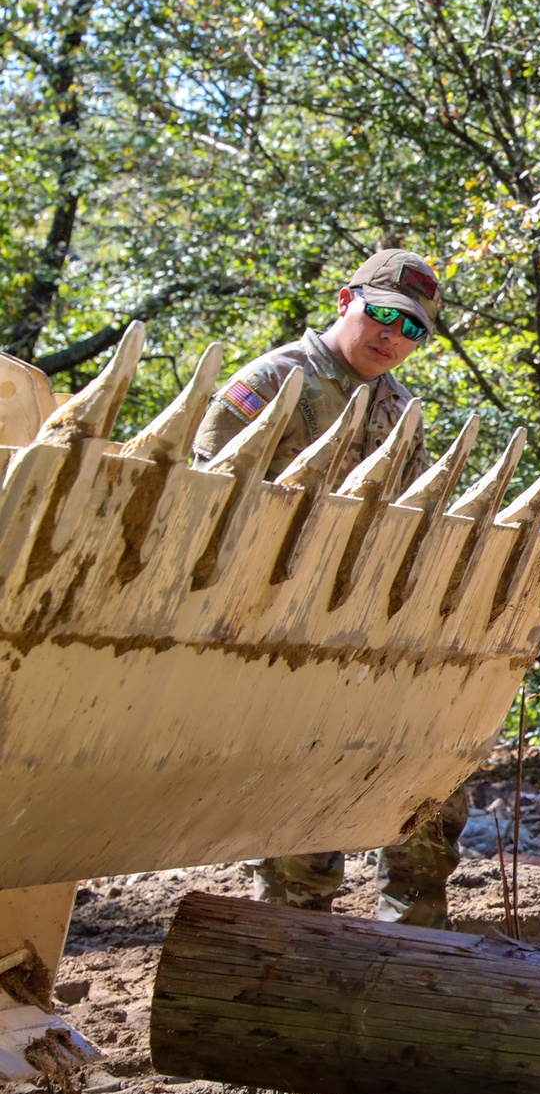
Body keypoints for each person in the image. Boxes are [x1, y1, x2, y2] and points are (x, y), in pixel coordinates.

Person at [193, 248, 467, 927]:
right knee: (296, 804)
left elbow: (409, 519)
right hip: (270, 626)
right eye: (381, 316)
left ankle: (413, 945)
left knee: (432, 783)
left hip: (361, 626)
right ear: (347, 300)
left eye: (412, 331)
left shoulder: (398, 406)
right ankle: (291, 948)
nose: (392, 338)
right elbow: (201, 493)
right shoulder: (280, 379)